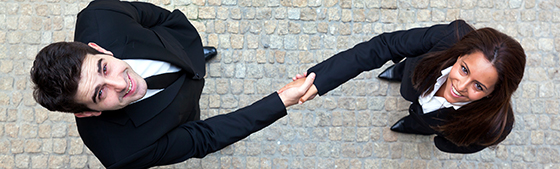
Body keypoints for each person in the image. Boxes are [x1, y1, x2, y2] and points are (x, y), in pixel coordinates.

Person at [30, 0, 316, 168]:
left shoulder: (100, 14)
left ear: (99, 48)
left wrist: (183, 41)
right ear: (87, 113)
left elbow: (158, 19)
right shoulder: (123, 152)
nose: (121, 83)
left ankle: (193, 60)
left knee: (192, 62)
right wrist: (283, 99)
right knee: (190, 117)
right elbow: (205, 137)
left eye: (104, 68)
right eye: (100, 93)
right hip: (180, 114)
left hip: (178, 46)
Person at [282, 20, 526, 154]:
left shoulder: (494, 126)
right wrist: (320, 79)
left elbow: (454, 143)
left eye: (479, 86)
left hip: (430, 121)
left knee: (420, 121)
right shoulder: (450, 37)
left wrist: (438, 140)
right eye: (464, 69)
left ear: (494, 93)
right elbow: (386, 46)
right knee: (407, 70)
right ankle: (398, 71)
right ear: (460, 54)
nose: (460, 87)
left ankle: (414, 124)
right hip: (417, 72)